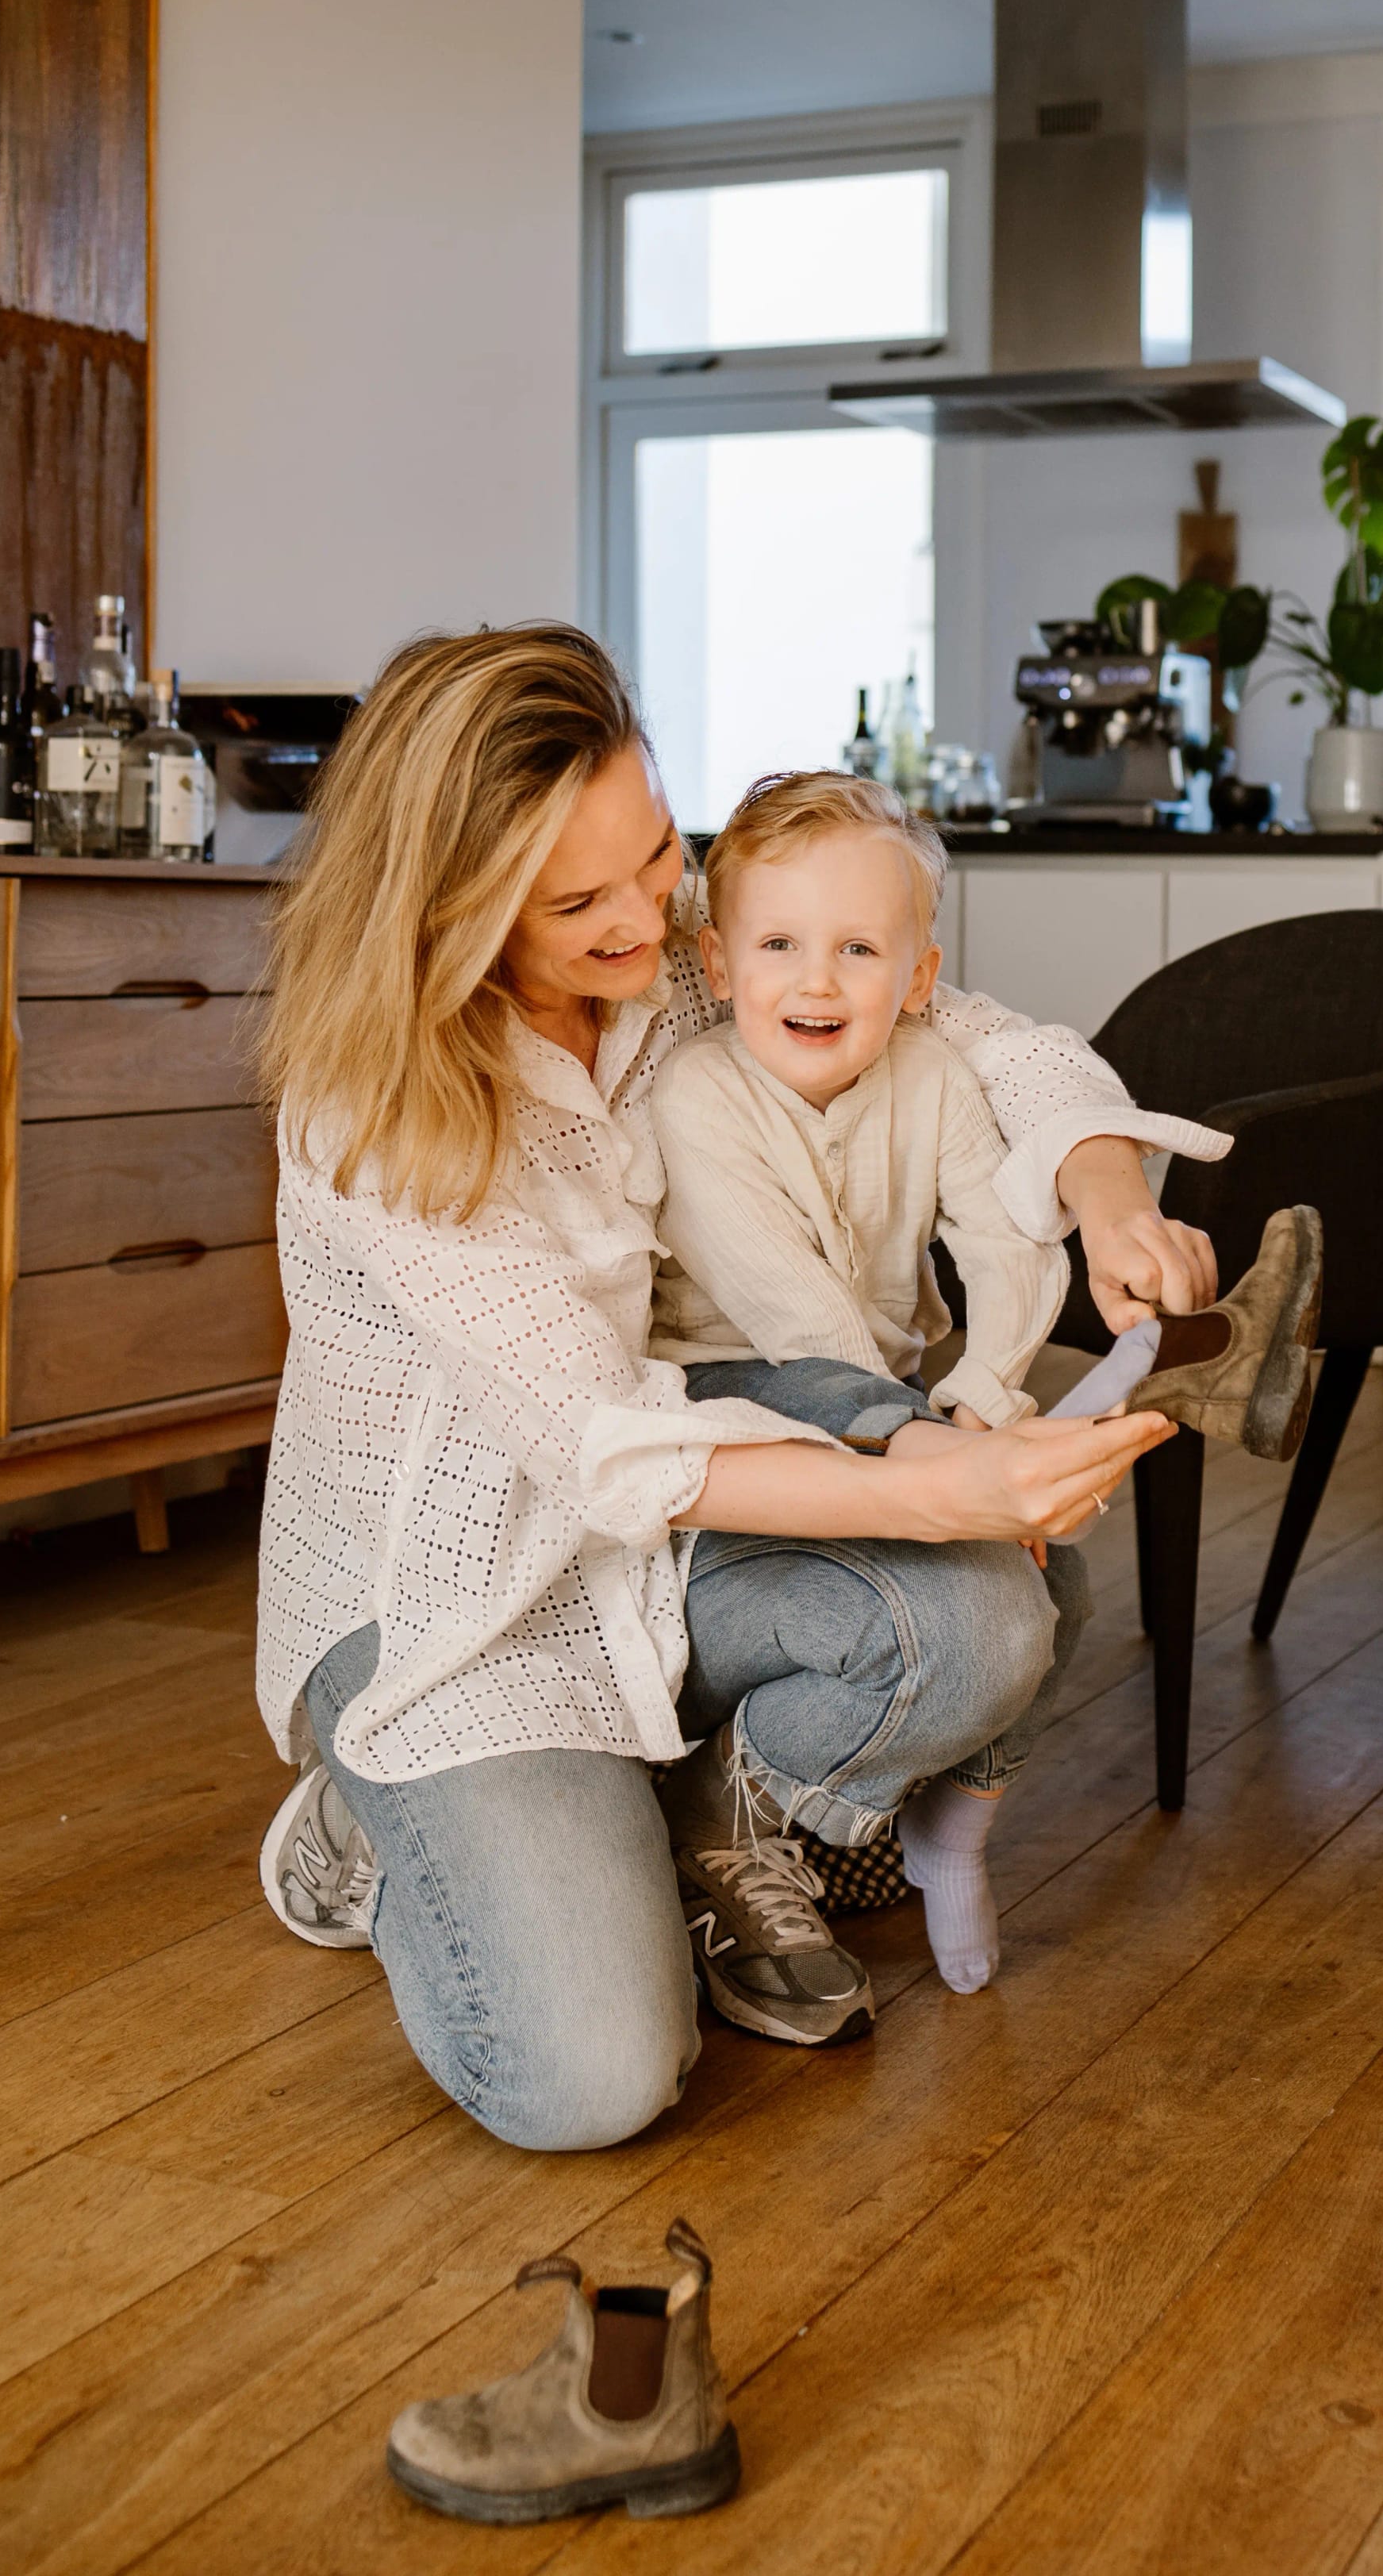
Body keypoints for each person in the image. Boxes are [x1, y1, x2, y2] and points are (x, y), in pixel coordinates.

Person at [252, 626, 1221, 2151]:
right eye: (578, 903)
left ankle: (691, 1817)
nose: (651, 912)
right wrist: (923, 1485)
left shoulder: (678, 949)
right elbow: (606, 1444)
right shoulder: (378, 1118)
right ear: (448, 919)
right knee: (592, 2078)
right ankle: (376, 1825)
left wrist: (1105, 1196)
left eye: (660, 850)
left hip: (655, 1558)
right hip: (446, 1615)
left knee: (986, 1615)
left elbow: (978, 1036)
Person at [646, 767, 1323, 1994]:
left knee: (1058, 1587)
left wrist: (987, 1403)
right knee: (879, 1439)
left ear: (917, 978)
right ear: (716, 958)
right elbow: (799, 1332)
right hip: (742, 1413)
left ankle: (950, 1833)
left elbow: (1008, 1250)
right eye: (781, 944)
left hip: (894, 1418)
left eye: (859, 949)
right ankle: (724, 1810)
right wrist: (949, 1467)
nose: (816, 980)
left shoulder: (937, 1074)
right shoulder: (696, 1096)